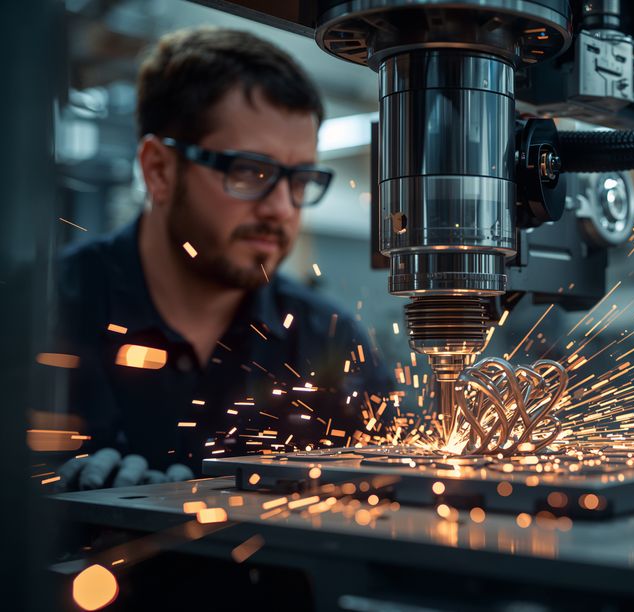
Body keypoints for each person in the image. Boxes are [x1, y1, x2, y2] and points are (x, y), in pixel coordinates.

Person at [52, 27, 392, 489]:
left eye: (299, 180)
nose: (281, 208)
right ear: (159, 170)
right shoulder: (43, 314)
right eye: (251, 171)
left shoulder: (327, 343)